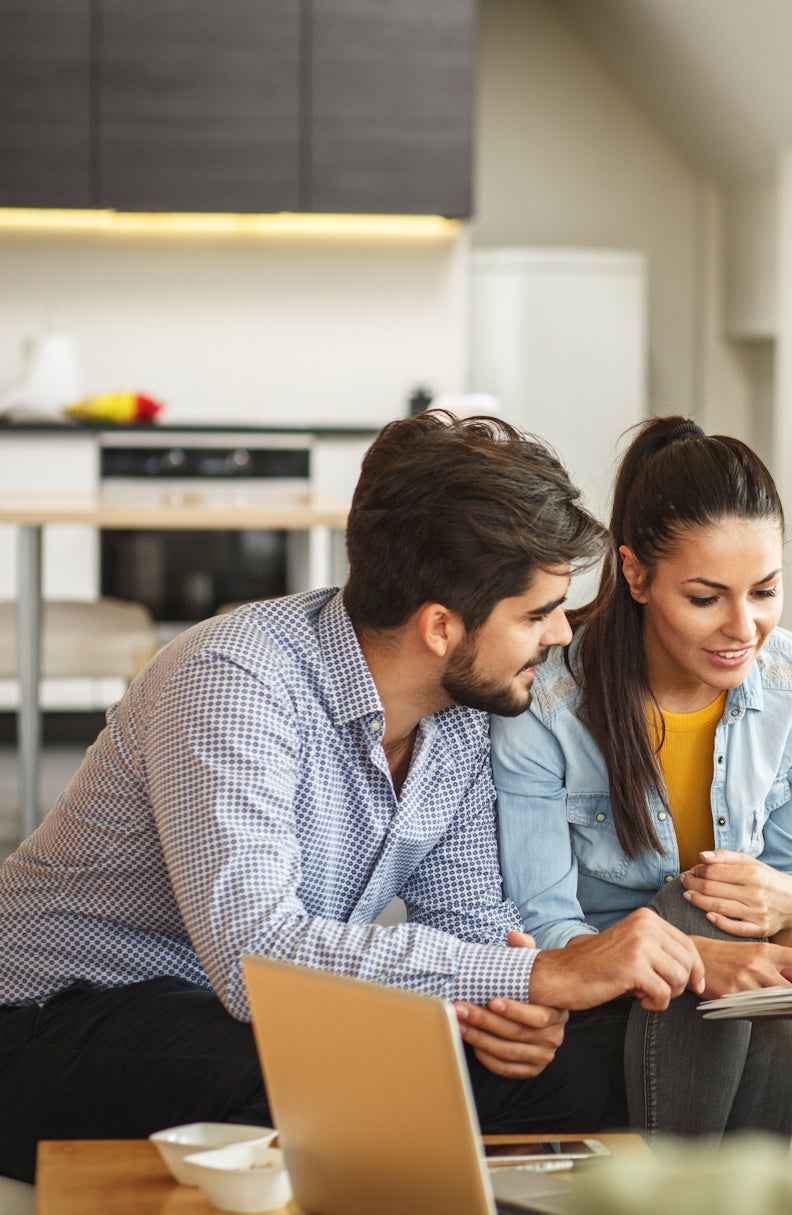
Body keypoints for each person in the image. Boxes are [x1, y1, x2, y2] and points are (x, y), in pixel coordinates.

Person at [0, 412, 709, 1184]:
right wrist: (539, 977)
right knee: (312, 1077)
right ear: (440, 625)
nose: (560, 636)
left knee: (558, 1075)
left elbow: (472, 924)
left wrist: (515, 1014)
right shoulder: (234, 681)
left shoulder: (463, 718)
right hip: (51, 1017)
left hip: (234, 1015)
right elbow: (255, 955)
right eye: (536, 614)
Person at [491, 416, 792, 1141]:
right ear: (635, 574)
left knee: (753, 977)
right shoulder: (550, 701)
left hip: (729, 1013)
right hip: (596, 1002)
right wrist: (696, 956)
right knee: (690, 912)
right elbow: (544, 927)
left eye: (766, 591)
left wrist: (783, 906)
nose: (743, 627)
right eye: (706, 597)